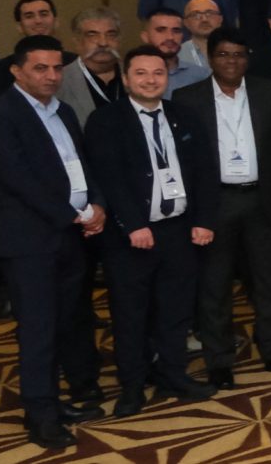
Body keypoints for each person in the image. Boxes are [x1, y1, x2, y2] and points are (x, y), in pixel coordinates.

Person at [0, 37, 107, 447]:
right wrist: (71, 214)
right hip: (28, 241)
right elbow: (16, 178)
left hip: (70, 235)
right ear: (17, 71)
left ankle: (53, 402)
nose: (51, 76)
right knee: (38, 330)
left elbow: (83, 165)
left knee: (65, 324)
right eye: (40, 68)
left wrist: (96, 204)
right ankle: (40, 416)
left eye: (56, 68)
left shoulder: (64, 111)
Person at [85, 43, 217, 415]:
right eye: (141, 73)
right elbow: (108, 178)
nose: (150, 80)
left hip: (179, 232)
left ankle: (173, 374)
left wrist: (204, 220)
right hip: (131, 237)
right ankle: (132, 386)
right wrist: (134, 225)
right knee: (131, 315)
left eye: (158, 73)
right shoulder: (105, 121)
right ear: (126, 79)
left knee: (176, 311)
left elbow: (205, 171)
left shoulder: (184, 116)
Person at [175, 30, 271, 388]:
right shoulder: (188, 98)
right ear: (211, 59)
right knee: (214, 285)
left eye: (238, 54)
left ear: (247, 58)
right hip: (215, 203)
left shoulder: (268, 91)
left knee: (269, 280)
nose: (231, 61)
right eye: (223, 54)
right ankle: (218, 359)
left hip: (263, 199)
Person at [58, 6, 127, 121]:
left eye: (111, 35)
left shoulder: (136, 74)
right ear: (77, 41)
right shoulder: (60, 80)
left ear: (119, 40)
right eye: (92, 35)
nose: (103, 43)